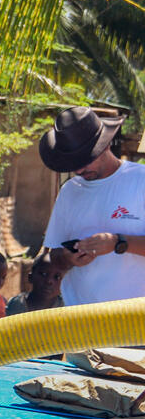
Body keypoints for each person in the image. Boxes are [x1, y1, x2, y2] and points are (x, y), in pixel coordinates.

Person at [39, 106, 145, 305]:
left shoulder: (141, 180)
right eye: (72, 163)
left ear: (105, 145)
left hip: (135, 321)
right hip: (80, 320)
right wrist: (68, 258)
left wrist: (118, 242)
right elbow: (54, 256)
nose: (79, 169)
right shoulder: (69, 190)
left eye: (86, 160)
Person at [6, 251, 64, 315]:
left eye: (57, 277)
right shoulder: (17, 305)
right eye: (43, 274)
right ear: (30, 277)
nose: (49, 281)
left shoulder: (66, 308)